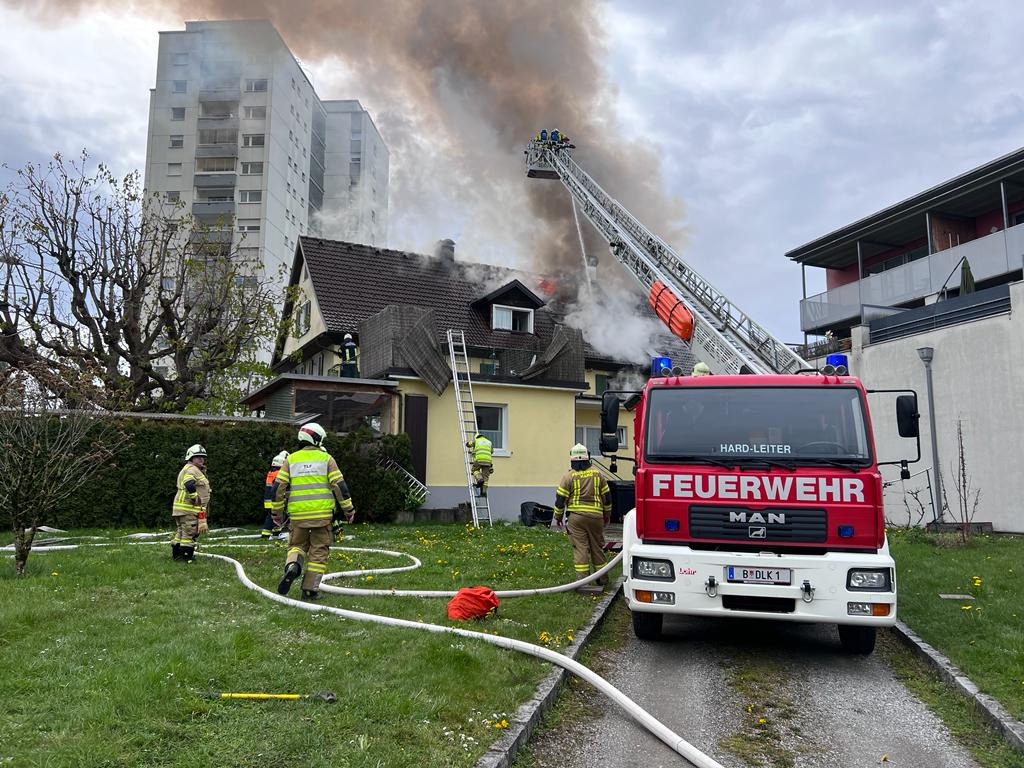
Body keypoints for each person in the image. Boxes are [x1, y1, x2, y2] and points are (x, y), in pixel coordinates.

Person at [273, 423, 355, 600]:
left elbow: (278, 488)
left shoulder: (291, 460)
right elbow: (340, 487)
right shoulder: (327, 459)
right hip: (322, 518)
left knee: (296, 546)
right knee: (319, 552)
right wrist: (348, 510)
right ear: (317, 439)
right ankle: (309, 590)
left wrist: (276, 513)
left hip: (298, 517)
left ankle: (293, 567)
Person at [553, 444, 612, 592]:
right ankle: (602, 578)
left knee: (580, 548)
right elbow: (607, 497)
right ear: (588, 458)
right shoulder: (598, 474)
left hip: (576, 519)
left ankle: (583, 581)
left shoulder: (568, 477)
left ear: (572, 460)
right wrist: (607, 514)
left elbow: (560, 500)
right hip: (596, 517)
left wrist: (558, 516)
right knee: (597, 547)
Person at [171, 444, 211, 562]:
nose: (201, 459)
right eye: (198, 457)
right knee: (190, 533)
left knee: (181, 532)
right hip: (189, 509)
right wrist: (195, 497)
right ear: (191, 458)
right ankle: (187, 558)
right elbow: (189, 483)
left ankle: (177, 556)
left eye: (202, 457)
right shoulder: (192, 469)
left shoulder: (188, 468)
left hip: (182, 509)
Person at [260, 451, 289, 540]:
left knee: (276, 516)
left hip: (268, 499)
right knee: (273, 516)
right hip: (274, 499)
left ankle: (276, 532)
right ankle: (265, 534)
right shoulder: (279, 474)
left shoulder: (271, 473)